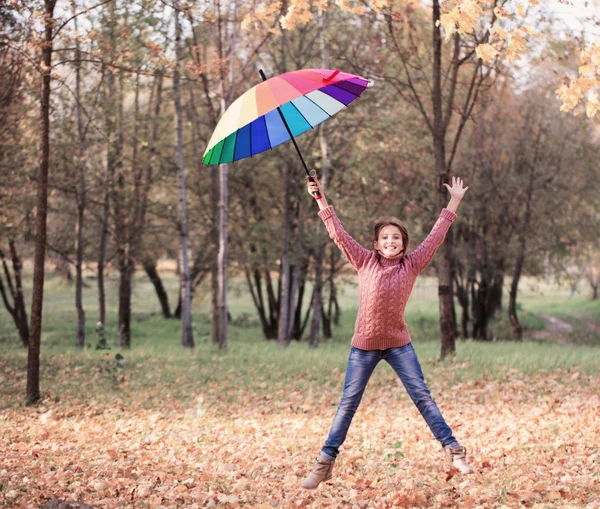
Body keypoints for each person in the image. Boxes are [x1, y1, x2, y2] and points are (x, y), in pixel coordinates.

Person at [301, 174, 474, 490]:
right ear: (376, 244)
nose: (391, 242)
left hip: (398, 344)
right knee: (348, 403)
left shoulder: (413, 264)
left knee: (422, 395)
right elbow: (337, 233)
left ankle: (455, 451)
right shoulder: (364, 261)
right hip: (363, 347)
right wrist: (319, 198)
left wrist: (454, 201)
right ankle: (325, 463)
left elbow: (436, 236)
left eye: (396, 238)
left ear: (404, 243)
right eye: (385, 239)